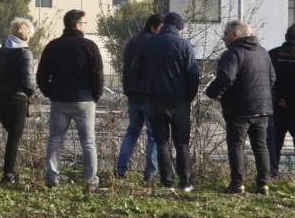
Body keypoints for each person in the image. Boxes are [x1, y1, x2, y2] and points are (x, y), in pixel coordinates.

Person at [36, 9, 104, 189]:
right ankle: (91, 181)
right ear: (77, 25)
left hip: (59, 100)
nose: (85, 26)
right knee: (88, 142)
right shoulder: (89, 46)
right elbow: (97, 74)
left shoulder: (52, 46)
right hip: (84, 101)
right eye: (84, 23)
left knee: (55, 140)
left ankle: (52, 177)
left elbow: (42, 74)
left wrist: (49, 92)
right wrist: (95, 95)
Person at [133, 11, 200, 192]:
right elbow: (193, 75)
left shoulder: (148, 44)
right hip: (179, 101)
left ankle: (167, 181)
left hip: (154, 100)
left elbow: (136, 69)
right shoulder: (184, 45)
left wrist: (147, 88)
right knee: (182, 143)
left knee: (161, 141)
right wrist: (188, 96)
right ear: (179, 28)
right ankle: (185, 182)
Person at [207, 20, 275, 194]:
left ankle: (238, 184)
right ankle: (263, 184)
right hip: (262, 107)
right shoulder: (263, 53)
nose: (223, 38)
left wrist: (213, 93)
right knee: (261, 146)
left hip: (239, 109)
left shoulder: (233, 53)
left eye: (225, 34)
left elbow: (226, 78)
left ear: (235, 35)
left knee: (236, 145)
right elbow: (272, 78)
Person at [116, 13, 162, 182]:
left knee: (132, 132)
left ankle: (120, 170)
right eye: (161, 28)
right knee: (153, 135)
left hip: (132, 95)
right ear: (153, 27)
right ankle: (150, 174)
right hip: (149, 95)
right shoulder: (154, 43)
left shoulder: (132, 42)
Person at [0, 17, 36, 184]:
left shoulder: (1, 51)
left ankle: (10, 172)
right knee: (14, 138)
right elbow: (29, 81)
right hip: (17, 100)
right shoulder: (26, 53)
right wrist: (32, 93)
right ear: (27, 35)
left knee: (12, 136)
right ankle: (8, 174)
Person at [268, 23, 295, 182]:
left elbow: (269, 79)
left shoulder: (272, 54)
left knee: (274, 141)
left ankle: (272, 173)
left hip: (276, 105)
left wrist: (279, 98)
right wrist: (291, 98)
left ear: (286, 36)